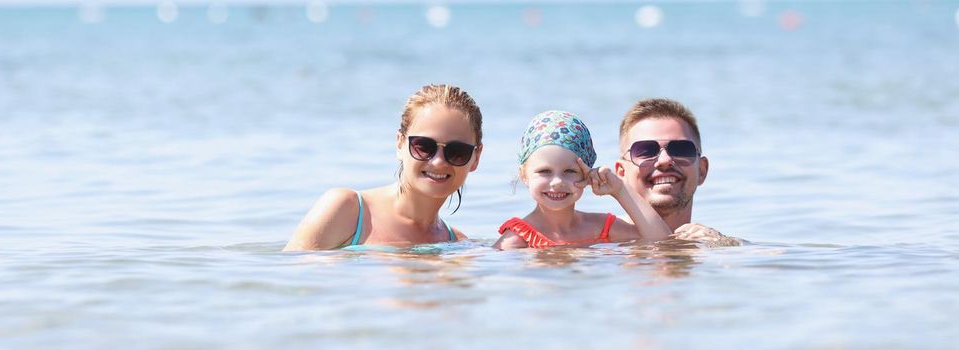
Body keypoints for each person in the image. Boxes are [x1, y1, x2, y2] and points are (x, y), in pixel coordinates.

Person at [284, 84, 482, 251]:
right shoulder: (347, 209)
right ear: (399, 144)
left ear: (476, 158)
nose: (438, 161)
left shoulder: (456, 244)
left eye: (457, 151)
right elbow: (290, 286)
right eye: (423, 146)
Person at [494, 110, 671, 250]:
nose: (557, 181)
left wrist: (620, 190)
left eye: (569, 171)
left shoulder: (603, 228)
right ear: (524, 175)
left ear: (586, 174)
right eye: (545, 171)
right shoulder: (518, 239)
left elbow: (661, 243)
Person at [612, 98, 741, 246]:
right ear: (621, 173)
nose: (665, 160)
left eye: (681, 149)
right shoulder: (594, 242)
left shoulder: (718, 246)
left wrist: (722, 243)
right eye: (646, 151)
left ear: (702, 170)